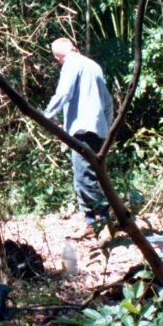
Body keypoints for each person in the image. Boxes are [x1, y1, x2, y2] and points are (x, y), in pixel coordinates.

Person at [43, 38, 114, 238]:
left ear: (58, 58)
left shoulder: (71, 64)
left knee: (85, 178)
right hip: (97, 129)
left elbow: (63, 93)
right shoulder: (93, 65)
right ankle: (90, 223)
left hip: (83, 131)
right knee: (84, 176)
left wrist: (47, 116)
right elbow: (107, 102)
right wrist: (105, 128)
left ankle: (105, 223)